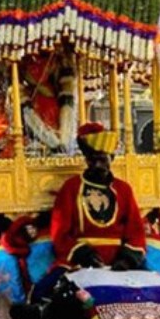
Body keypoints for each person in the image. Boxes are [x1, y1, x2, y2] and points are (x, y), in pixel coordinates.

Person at [33, 123, 147, 299]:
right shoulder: (71, 187)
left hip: (120, 261)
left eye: (103, 159)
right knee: (44, 292)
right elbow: (60, 233)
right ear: (86, 160)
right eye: (93, 160)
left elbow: (136, 231)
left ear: (112, 158)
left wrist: (126, 260)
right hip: (78, 260)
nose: (98, 165)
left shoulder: (123, 189)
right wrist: (83, 255)